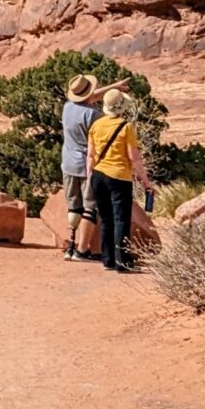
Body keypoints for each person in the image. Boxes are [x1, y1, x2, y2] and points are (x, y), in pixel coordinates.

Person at [86, 87, 145, 273]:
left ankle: (108, 259)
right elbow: (134, 157)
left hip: (98, 175)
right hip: (119, 177)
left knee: (105, 219)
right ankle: (123, 262)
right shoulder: (126, 127)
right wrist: (145, 181)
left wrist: (89, 177)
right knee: (121, 220)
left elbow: (90, 156)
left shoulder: (96, 125)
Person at [59, 73, 102, 262]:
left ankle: (70, 246)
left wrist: (114, 86)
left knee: (73, 207)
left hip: (68, 164)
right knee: (90, 207)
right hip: (86, 165)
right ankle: (82, 250)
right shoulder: (93, 114)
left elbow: (89, 97)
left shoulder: (67, 107)